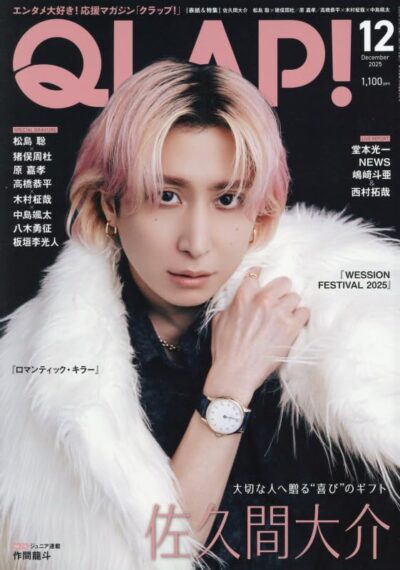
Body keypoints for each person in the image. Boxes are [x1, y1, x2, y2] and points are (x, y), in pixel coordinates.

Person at [0, 59, 399, 570]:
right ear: (109, 207)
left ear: (260, 215)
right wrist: (230, 385)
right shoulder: (37, 381)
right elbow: (150, 558)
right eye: (166, 196)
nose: (196, 242)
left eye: (227, 198)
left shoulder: (348, 317)